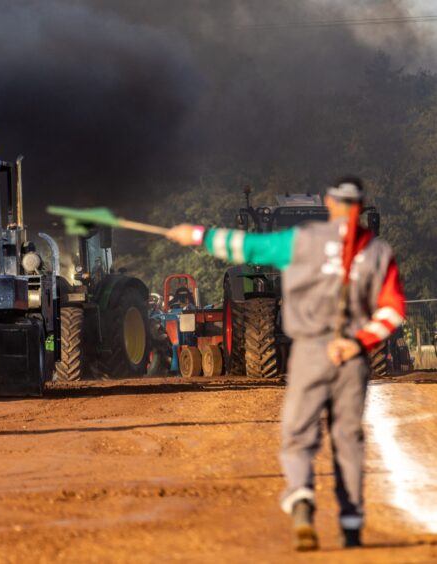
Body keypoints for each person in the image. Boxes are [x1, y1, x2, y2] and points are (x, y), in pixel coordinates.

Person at [166, 176, 405, 551]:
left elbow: (244, 244)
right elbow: (392, 311)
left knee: (297, 436)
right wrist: (359, 341)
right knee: (347, 438)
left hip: (310, 351)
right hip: (351, 354)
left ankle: (302, 503)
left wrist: (196, 234)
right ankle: (352, 522)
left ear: (330, 205)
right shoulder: (377, 252)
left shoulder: (300, 243)